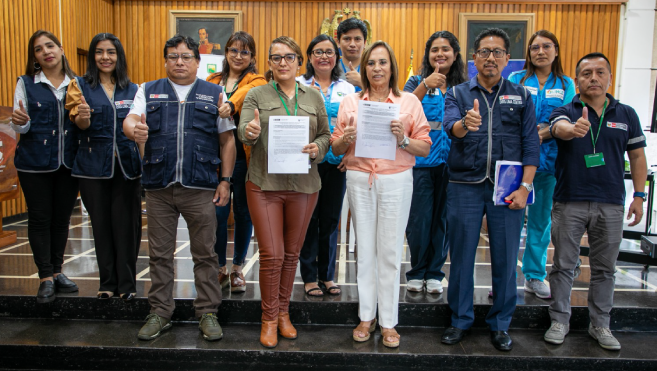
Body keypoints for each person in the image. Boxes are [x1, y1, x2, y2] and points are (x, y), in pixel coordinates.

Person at [123, 34, 236, 341]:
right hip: (159, 186)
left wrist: (225, 180)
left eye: (186, 56)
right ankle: (160, 312)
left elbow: (227, 140)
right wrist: (135, 129)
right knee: (159, 255)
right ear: (165, 61)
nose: (180, 62)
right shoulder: (148, 90)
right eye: (173, 56)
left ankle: (208, 312)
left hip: (200, 186)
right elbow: (130, 121)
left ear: (197, 62)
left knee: (206, 253)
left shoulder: (215, 93)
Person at [441, 28, 539, 351]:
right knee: (463, 257)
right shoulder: (457, 93)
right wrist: (465, 124)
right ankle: (460, 320)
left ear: (508, 59)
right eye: (484, 52)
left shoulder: (522, 96)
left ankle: (500, 324)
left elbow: (531, 145)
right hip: (464, 186)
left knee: (506, 258)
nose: (491, 58)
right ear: (474, 58)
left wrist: (525, 187)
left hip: (507, 190)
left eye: (498, 52)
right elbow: (451, 129)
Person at [543, 52, 647, 351]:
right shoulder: (566, 109)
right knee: (563, 265)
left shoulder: (626, 114)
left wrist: (639, 196)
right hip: (569, 200)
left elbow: (637, 156)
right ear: (576, 80)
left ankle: (600, 324)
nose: (593, 78)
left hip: (611, 203)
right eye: (586, 73)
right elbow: (558, 128)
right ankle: (559, 320)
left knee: (605, 269)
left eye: (600, 72)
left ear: (609, 78)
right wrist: (570, 129)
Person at [332, 40, 431, 348]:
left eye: (383, 62)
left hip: (396, 180)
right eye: (371, 63)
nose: (376, 68)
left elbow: (425, 147)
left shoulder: (409, 103)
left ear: (392, 68)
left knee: (388, 251)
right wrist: (344, 140)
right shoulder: (351, 102)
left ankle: (388, 321)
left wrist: (402, 140)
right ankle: (366, 316)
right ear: (365, 68)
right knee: (365, 249)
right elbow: (335, 147)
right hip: (360, 179)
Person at [239, 36, 330, 348]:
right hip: (264, 184)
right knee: (272, 254)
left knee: (291, 254)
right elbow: (243, 130)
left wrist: (317, 148)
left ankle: (283, 314)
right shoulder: (255, 94)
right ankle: (267, 318)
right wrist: (249, 132)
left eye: (289, 57)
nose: (282, 63)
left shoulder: (314, 96)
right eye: (275, 58)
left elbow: (325, 135)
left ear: (298, 63)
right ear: (268, 62)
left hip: (304, 186)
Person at [65, 33, 142, 302]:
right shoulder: (79, 86)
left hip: (127, 168)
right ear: (92, 56)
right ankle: (107, 282)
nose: (105, 57)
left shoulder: (134, 89)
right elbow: (79, 123)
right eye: (99, 52)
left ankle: (128, 284)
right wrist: (83, 118)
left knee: (126, 226)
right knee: (101, 226)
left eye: (111, 52)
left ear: (119, 56)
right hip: (91, 167)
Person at [10, 30, 80, 303]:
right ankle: (45, 277)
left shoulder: (77, 83)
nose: (45, 51)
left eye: (49, 46)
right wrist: (18, 120)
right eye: (38, 49)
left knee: (62, 219)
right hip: (34, 164)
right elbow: (22, 126)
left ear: (61, 49)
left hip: (68, 162)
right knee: (40, 218)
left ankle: (58, 270)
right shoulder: (26, 83)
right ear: (35, 57)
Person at [508, 30, 576, 300]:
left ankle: (534, 277)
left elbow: (568, 118)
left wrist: (544, 133)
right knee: (510, 221)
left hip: (549, 163)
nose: (540, 52)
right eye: (535, 47)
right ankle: (504, 279)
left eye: (546, 46)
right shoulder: (516, 79)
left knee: (540, 222)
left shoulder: (566, 83)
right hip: (516, 162)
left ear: (556, 51)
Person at [403, 31, 467, 295]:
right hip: (420, 162)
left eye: (446, 49)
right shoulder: (415, 82)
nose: (440, 54)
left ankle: (435, 273)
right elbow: (403, 109)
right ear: (427, 55)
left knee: (443, 220)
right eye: (434, 50)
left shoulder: (464, 86)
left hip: (452, 163)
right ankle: (417, 271)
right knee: (419, 220)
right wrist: (425, 85)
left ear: (455, 54)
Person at [206, 31, 266, 293]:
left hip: (244, 156)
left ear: (252, 56)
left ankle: (238, 268)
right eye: (233, 50)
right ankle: (219, 267)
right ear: (226, 52)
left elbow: (247, 92)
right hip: (212, 156)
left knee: (243, 212)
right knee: (217, 213)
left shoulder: (257, 80)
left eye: (244, 51)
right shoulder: (212, 80)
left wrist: (230, 103)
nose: (238, 56)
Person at [297, 34, 355, 297]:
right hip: (305, 161)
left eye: (329, 52)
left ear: (336, 57)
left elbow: (354, 125)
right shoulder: (298, 84)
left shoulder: (348, 89)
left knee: (331, 220)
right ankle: (309, 276)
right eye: (318, 51)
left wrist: (348, 154)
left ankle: (328, 275)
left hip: (336, 162)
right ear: (309, 57)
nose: (324, 56)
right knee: (309, 219)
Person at [337, 18, 367, 91]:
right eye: (347, 39)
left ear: (365, 43)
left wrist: (361, 83)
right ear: (338, 43)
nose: (352, 44)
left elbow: (382, 97)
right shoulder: (331, 69)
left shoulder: (373, 68)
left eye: (357, 39)